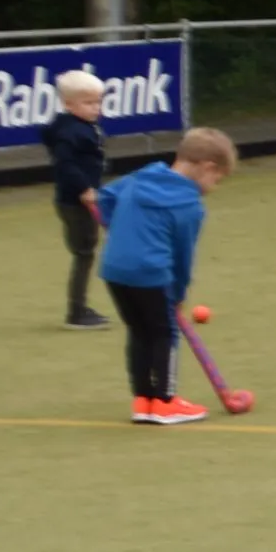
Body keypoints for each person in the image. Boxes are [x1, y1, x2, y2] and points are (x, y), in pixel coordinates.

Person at [102, 126, 238, 423]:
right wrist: (178, 294)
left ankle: (143, 401)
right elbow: (182, 257)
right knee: (164, 332)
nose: (214, 186)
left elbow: (105, 198)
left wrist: (122, 230)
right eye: (217, 179)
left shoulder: (143, 175)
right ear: (207, 167)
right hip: (151, 272)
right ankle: (165, 402)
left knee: (139, 331)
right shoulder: (189, 206)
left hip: (114, 268)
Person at [42, 67, 112, 327]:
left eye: (98, 102)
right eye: (88, 103)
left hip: (84, 197)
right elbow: (65, 165)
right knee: (84, 253)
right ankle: (77, 311)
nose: (96, 108)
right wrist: (84, 189)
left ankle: (80, 308)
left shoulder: (82, 126)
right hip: (76, 201)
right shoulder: (69, 133)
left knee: (87, 250)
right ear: (69, 104)